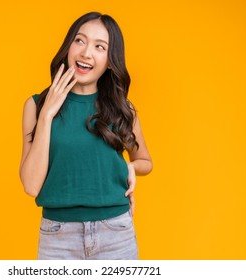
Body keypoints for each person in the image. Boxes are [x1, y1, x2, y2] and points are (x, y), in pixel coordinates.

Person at [20, 11, 153, 260]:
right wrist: (47, 114)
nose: (86, 52)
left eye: (99, 46)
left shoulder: (122, 108)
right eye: (80, 40)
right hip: (57, 237)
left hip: (116, 233)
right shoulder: (35, 106)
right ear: (68, 46)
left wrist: (132, 167)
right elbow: (31, 185)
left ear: (110, 61)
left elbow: (146, 162)